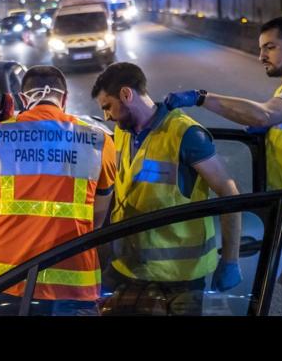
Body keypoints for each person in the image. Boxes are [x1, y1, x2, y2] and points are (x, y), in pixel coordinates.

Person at [164, 15, 282, 316]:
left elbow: (261, 114)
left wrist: (201, 98)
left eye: (270, 47)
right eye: (261, 48)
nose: (261, 56)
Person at [0, 65, 116, 316]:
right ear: (64, 98)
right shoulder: (99, 141)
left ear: (22, 98)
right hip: (72, 286)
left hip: (0, 284)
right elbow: (95, 222)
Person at [91, 62, 242, 316]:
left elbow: (229, 194)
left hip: (181, 278)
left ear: (127, 95)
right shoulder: (123, 134)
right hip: (130, 268)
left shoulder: (185, 134)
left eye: (108, 106)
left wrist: (230, 260)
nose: (106, 116)